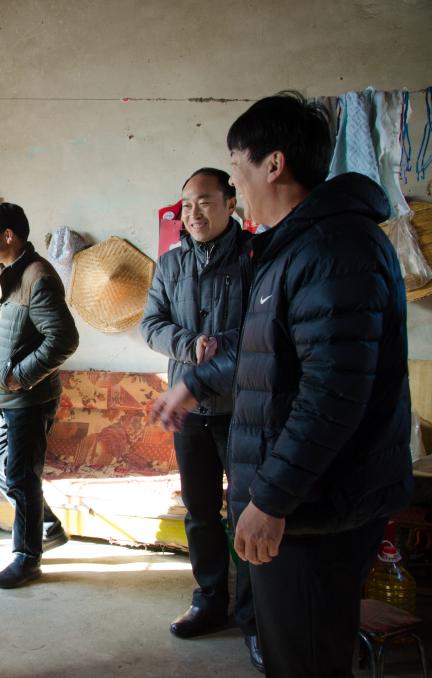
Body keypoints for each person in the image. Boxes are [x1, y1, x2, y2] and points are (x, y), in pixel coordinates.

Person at [150, 93, 413, 677]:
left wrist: (270, 498)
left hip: (317, 507)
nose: (236, 185)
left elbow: (330, 395)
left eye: (235, 166)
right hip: (303, 499)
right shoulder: (292, 245)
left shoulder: (332, 247)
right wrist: (195, 382)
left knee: (305, 659)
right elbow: (263, 349)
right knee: (296, 650)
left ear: (273, 164)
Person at [140, 168, 261, 671]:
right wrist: (190, 345)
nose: (193, 213)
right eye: (186, 205)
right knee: (200, 511)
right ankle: (210, 600)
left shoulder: (255, 256)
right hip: (190, 410)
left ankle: (255, 619)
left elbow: (264, 328)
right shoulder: (171, 263)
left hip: (243, 408)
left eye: (205, 202)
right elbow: (150, 324)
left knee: (249, 512)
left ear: (231, 204)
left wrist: (219, 347)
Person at [0, 202, 78, 589]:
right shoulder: (7, 272)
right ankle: (47, 525)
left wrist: (21, 376)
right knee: (0, 468)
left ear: (8, 235)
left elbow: (64, 339)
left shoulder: (38, 276)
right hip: (4, 397)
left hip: (29, 399)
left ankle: (27, 557)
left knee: (21, 475)